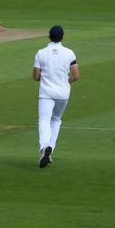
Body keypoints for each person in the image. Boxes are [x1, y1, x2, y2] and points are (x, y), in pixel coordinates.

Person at [33, 26, 79, 168]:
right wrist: (66, 81)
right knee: (56, 120)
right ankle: (49, 150)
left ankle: (45, 147)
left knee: (44, 120)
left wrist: (47, 78)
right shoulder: (69, 53)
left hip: (46, 93)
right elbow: (75, 76)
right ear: (62, 37)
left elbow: (35, 77)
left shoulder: (41, 53)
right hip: (63, 93)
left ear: (49, 36)